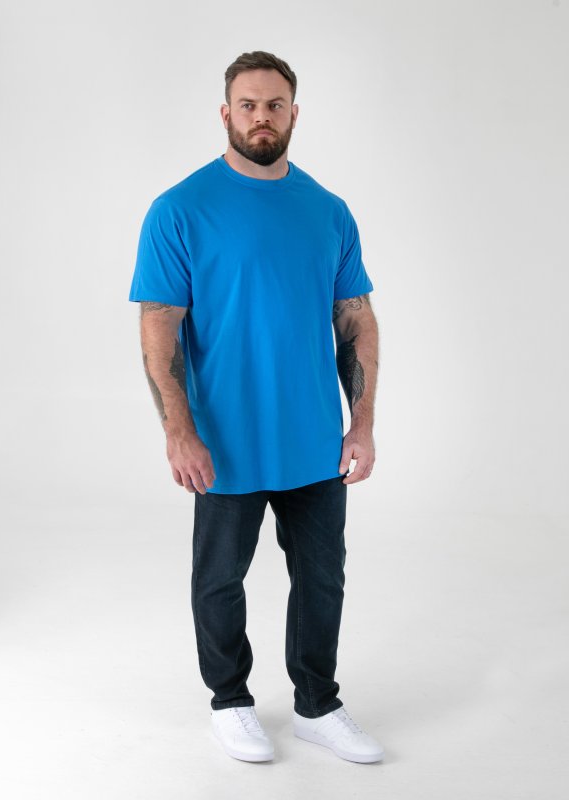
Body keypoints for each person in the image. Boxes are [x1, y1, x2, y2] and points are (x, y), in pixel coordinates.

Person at [128, 50, 383, 764]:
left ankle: (317, 704)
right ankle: (231, 701)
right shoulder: (180, 209)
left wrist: (361, 423)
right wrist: (178, 430)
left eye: (274, 105)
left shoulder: (328, 211)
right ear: (225, 113)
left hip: (314, 438)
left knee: (323, 578)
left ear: (294, 114)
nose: (261, 117)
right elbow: (158, 326)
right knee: (219, 579)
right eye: (248, 105)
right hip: (225, 441)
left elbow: (355, 319)